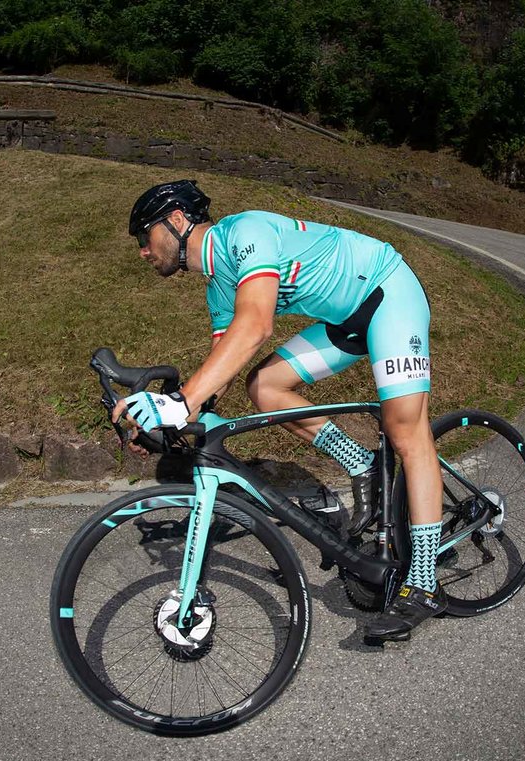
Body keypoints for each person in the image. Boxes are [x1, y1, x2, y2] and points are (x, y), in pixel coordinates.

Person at [112, 179, 446, 642]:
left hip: (389, 293)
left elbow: (256, 325)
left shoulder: (246, 232)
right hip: (346, 320)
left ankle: (425, 583)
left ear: (176, 220)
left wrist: (179, 401)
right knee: (263, 386)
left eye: (144, 235)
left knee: (405, 430)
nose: (143, 251)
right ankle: (363, 464)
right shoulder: (218, 288)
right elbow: (223, 371)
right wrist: (165, 424)